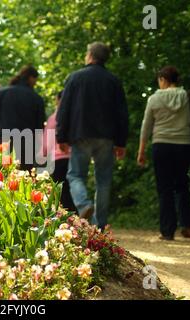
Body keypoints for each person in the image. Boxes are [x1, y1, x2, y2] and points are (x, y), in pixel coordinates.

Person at [56, 42, 129, 228]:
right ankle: (100, 225)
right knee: (103, 180)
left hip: (81, 135)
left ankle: (83, 205)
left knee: (75, 175)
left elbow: (64, 110)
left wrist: (61, 136)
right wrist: (121, 142)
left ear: (89, 55)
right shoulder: (113, 81)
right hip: (106, 137)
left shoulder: (75, 78)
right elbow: (122, 113)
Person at [137, 66, 190, 240]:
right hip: (183, 145)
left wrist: (141, 151)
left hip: (161, 145)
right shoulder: (189, 97)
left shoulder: (154, 99)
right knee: (182, 184)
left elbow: (146, 127)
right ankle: (187, 226)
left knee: (164, 188)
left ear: (163, 79)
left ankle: (167, 231)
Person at [0, 65, 46, 171]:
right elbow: (39, 128)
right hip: (27, 146)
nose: (35, 83)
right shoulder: (36, 98)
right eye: (35, 80)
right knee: (24, 179)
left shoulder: (2, 93)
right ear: (30, 78)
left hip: (6, 143)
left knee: (6, 177)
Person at [43, 91, 76, 211]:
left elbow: (46, 143)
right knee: (72, 191)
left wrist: (44, 154)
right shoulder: (75, 117)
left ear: (57, 100)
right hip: (73, 157)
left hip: (57, 159)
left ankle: (64, 220)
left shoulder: (53, 118)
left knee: (60, 192)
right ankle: (77, 220)